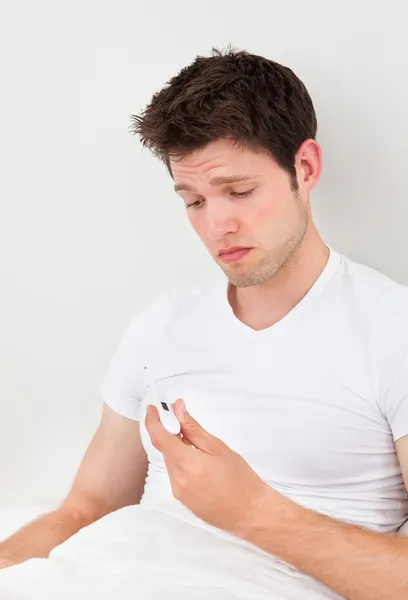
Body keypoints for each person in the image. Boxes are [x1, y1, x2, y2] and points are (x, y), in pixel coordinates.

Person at [0, 47, 407, 600]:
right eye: (193, 200)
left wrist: (251, 511)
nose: (217, 225)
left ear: (305, 168)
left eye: (239, 192)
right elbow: (84, 509)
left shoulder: (391, 330)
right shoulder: (161, 325)